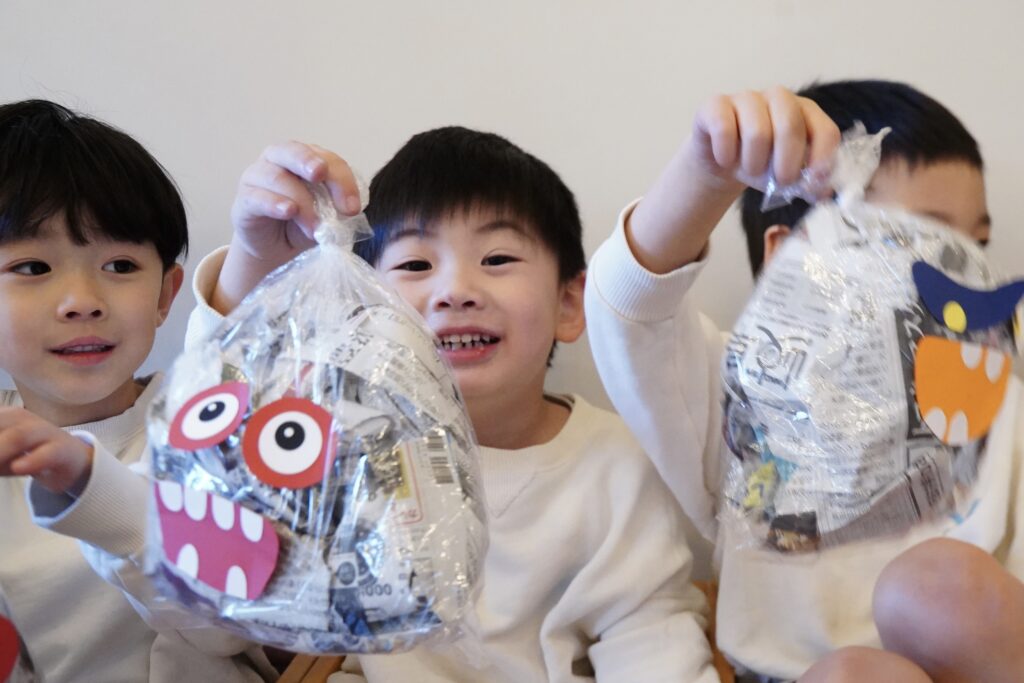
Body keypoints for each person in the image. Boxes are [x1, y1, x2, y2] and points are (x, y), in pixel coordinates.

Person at [186, 130, 718, 682]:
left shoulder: (615, 463)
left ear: (567, 302)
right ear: (361, 311)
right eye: (415, 265)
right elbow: (213, 455)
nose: (455, 290)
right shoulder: (334, 442)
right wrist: (252, 262)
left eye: (497, 258)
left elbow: (651, 639)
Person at [583, 80, 1024, 682]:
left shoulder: (998, 405)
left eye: (976, 246)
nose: (968, 277)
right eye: (925, 239)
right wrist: (707, 174)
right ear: (792, 257)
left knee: (938, 586)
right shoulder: (739, 395)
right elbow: (629, 313)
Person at [0, 99, 275, 683]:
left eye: (120, 265)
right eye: (32, 268)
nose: (82, 301)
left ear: (165, 295)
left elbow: (235, 623)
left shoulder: (204, 417)